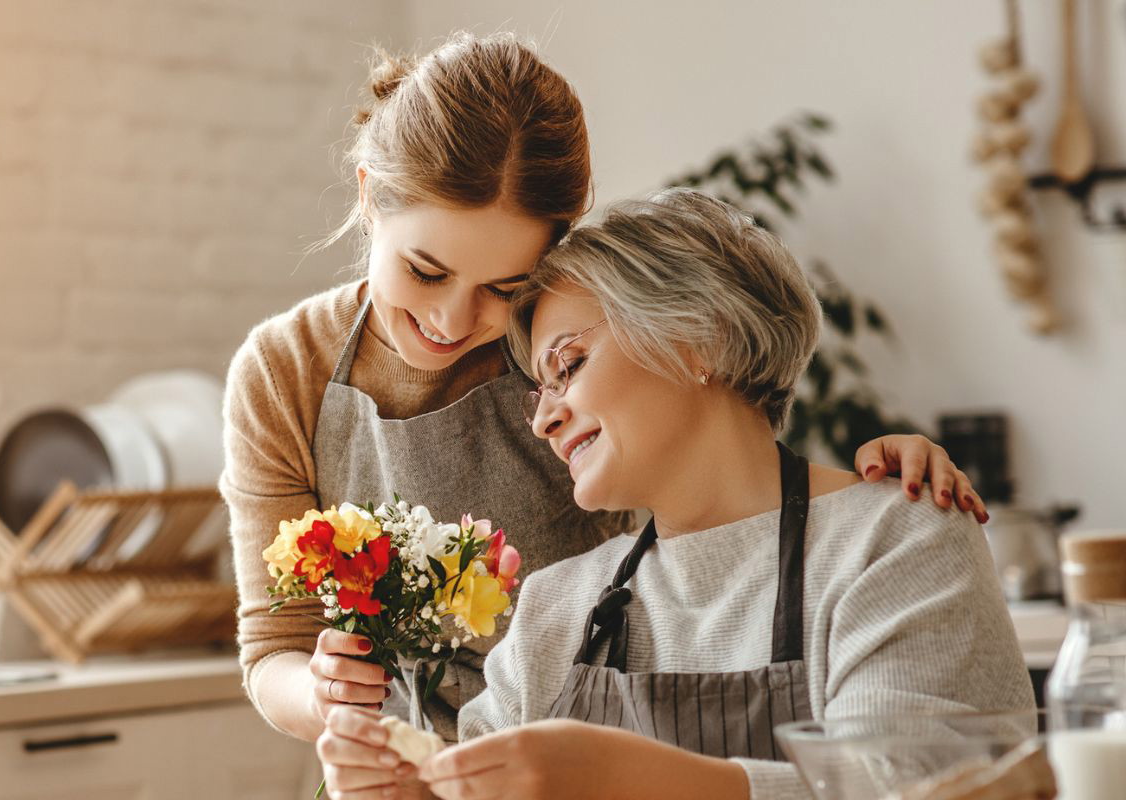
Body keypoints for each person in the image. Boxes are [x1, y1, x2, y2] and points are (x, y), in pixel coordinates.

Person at [221, 32, 987, 758]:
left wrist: (864, 497)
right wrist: (334, 700)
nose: (454, 321)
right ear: (367, 198)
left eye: (505, 287)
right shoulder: (286, 374)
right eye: (425, 271)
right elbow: (273, 646)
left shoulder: (572, 336)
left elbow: (719, 496)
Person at [316, 190, 1033, 800]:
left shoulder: (896, 542)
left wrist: (647, 781)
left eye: (569, 364)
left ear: (700, 338)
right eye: (538, 388)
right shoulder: (554, 608)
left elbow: (922, 786)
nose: (543, 417)